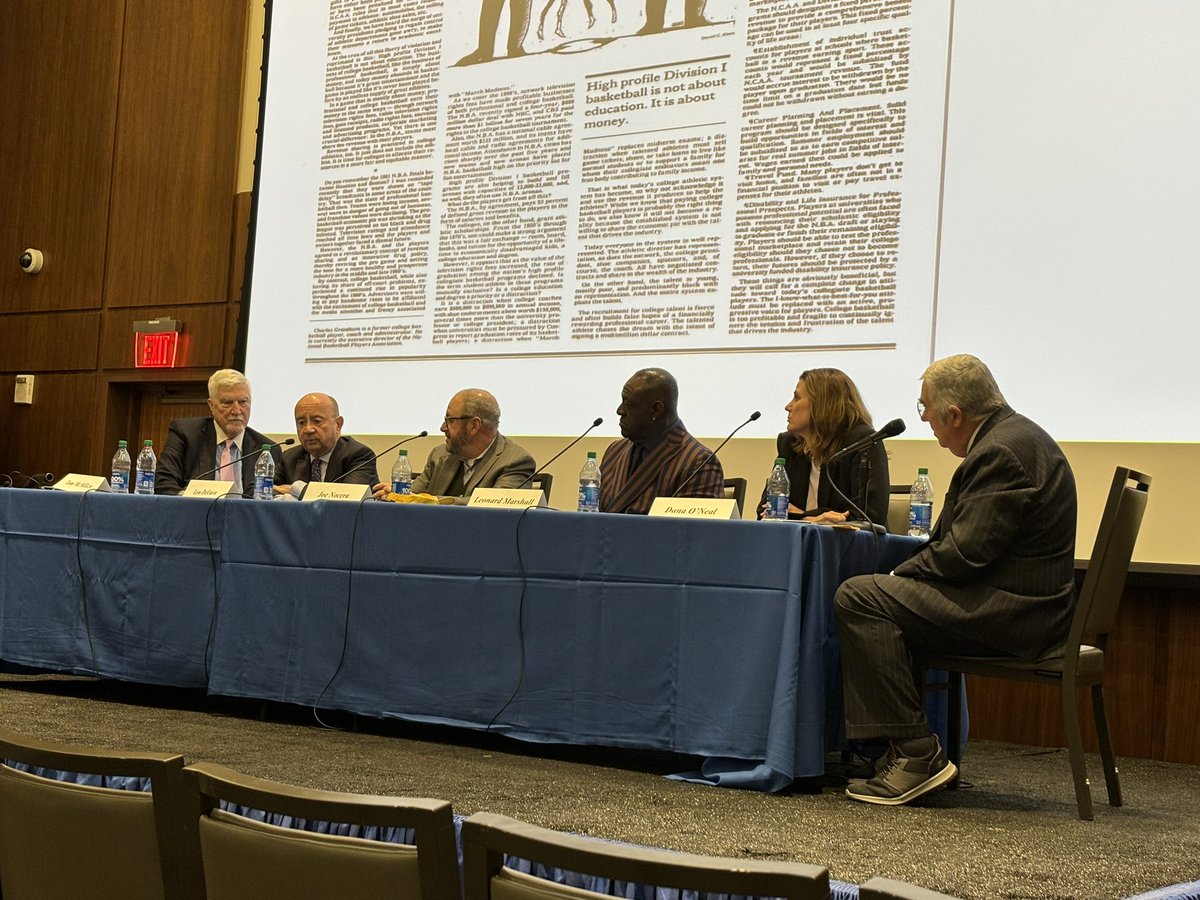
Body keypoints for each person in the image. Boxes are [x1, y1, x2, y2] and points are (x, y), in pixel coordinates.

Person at [834, 354, 1077, 806]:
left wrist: (894, 575)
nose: (923, 418)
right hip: (1021, 603)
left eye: (925, 408)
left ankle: (915, 754)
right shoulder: (1015, 437)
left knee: (860, 596)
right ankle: (903, 750)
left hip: (1015, 614)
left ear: (955, 415)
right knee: (874, 595)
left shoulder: (1002, 451)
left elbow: (964, 554)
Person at [756, 368, 890, 525]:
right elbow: (765, 511)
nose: (788, 406)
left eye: (796, 398)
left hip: (849, 546)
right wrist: (811, 519)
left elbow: (869, 518)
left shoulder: (862, 443)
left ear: (822, 404)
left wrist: (800, 514)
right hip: (798, 544)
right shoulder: (789, 445)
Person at [599, 367, 723, 515]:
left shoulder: (698, 462)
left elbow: (691, 534)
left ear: (656, 410)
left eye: (629, 404)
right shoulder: (614, 451)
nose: (619, 410)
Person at [372, 389, 534, 500]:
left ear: (474, 425)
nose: (442, 428)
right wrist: (396, 495)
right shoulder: (439, 456)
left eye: (450, 420)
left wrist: (430, 500)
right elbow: (413, 496)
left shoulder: (515, 461)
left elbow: (491, 508)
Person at [155, 369, 281, 497]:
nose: (237, 411)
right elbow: (164, 483)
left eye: (243, 402)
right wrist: (191, 501)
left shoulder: (267, 449)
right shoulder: (186, 434)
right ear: (211, 405)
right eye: (227, 403)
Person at [273, 393, 378, 494]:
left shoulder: (359, 456)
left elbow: (346, 499)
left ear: (338, 425)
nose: (308, 429)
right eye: (301, 422)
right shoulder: (289, 458)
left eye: (317, 421)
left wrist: (296, 490)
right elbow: (262, 489)